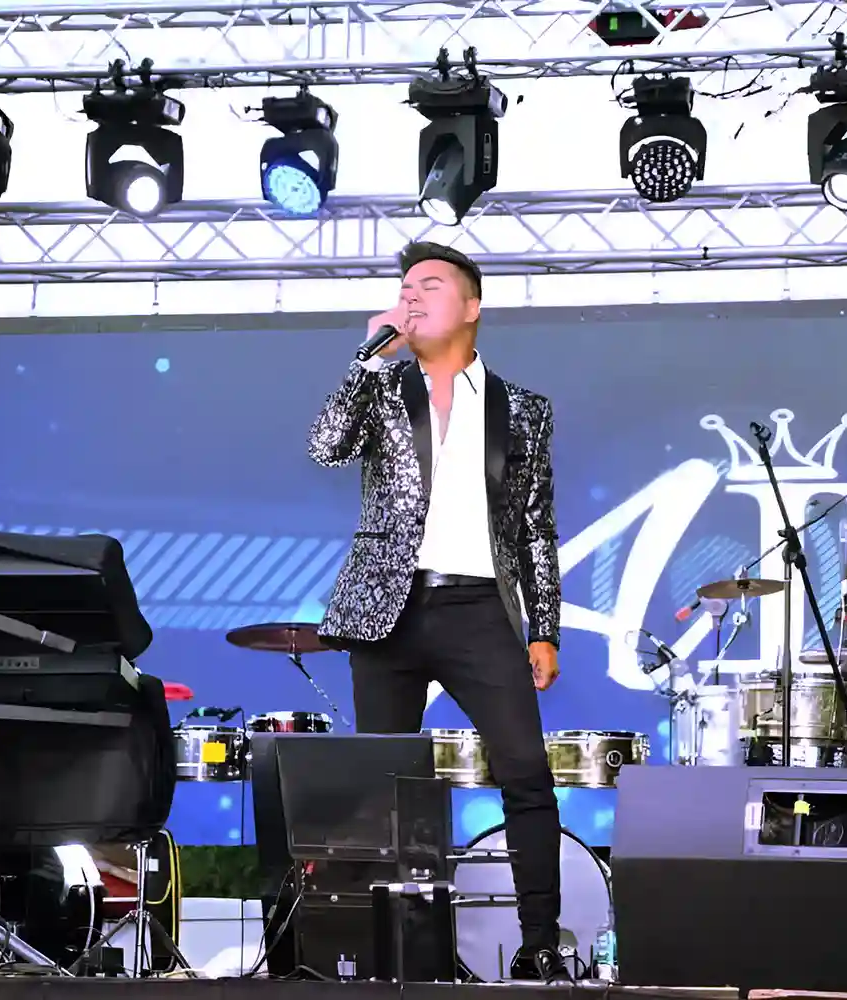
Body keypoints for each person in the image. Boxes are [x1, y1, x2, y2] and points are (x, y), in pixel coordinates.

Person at [307, 241, 568, 982]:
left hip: (479, 607)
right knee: (382, 785)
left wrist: (544, 628)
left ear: (472, 306)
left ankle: (539, 942)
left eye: (429, 285)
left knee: (526, 774)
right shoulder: (383, 387)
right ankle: (384, 949)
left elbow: (536, 527)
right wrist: (367, 360)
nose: (412, 296)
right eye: (405, 288)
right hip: (386, 607)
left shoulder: (524, 410)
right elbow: (325, 447)